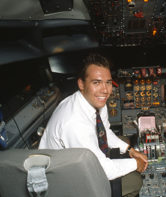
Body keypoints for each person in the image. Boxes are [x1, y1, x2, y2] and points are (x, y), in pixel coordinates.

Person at [39, 53, 148, 196]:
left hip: (76, 161)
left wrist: (130, 150)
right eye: (96, 82)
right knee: (135, 181)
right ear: (81, 84)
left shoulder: (94, 102)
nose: (105, 90)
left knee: (124, 142)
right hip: (63, 180)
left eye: (108, 82)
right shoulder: (74, 123)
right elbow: (102, 169)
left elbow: (105, 131)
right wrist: (136, 164)